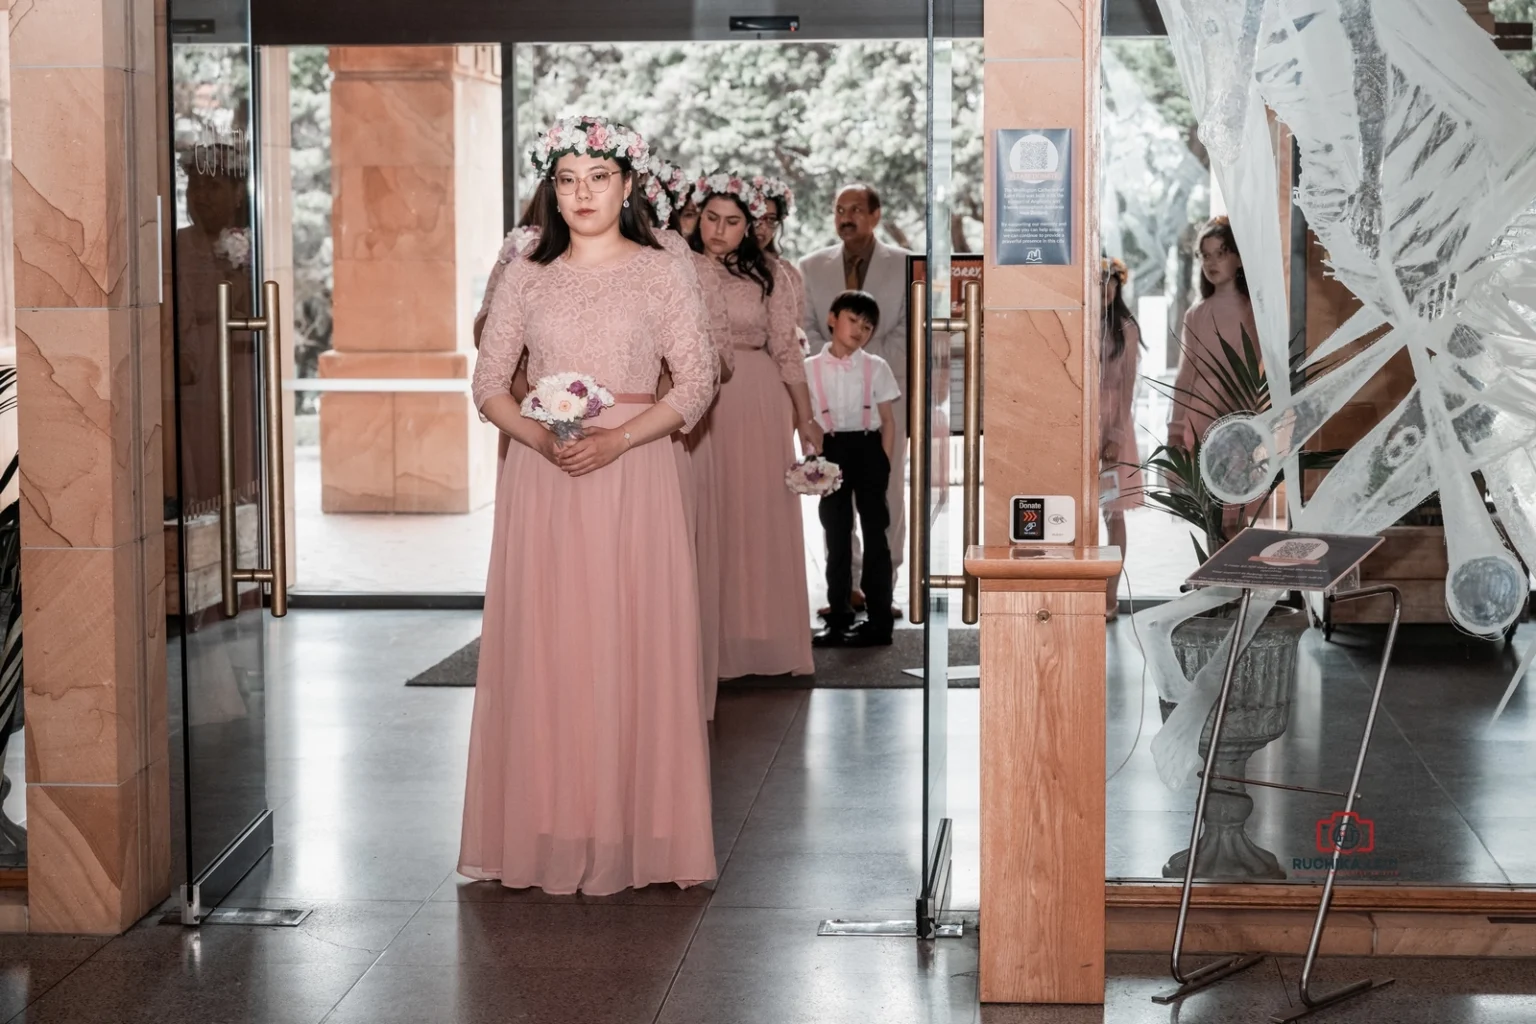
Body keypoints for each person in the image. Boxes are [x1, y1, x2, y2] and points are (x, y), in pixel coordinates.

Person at [461, 116, 718, 896]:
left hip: (633, 471)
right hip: (545, 479)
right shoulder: (526, 276)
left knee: (629, 637)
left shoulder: (661, 271)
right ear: (552, 188)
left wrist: (620, 439)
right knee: (551, 645)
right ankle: (550, 822)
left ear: (629, 185)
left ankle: (638, 826)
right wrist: (539, 439)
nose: (582, 193)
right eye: (567, 178)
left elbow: (698, 380)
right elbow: (487, 384)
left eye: (598, 178)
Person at [690, 174, 818, 680]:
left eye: (734, 222)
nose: (720, 230)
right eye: (712, 218)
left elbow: (787, 348)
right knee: (708, 514)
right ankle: (707, 644)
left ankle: (764, 642)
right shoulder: (672, 266)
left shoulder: (773, 274)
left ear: (750, 227)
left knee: (759, 515)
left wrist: (805, 417)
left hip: (759, 395)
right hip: (698, 399)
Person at [798, 184, 911, 619]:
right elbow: (805, 328)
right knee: (834, 493)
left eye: (857, 209)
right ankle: (845, 589)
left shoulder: (903, 264)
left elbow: (909, 329)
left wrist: (861, 356)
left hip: (886, 391)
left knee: (887, 490)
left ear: (876, 215)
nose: (847, 217)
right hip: (828, 395)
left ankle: (884, 584)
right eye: (839, 209)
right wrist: (834, 360)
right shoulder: (811, 266)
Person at [808, 290, 900, 647]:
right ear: (832, 318)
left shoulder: (875, 366)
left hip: (868, 446)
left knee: (877, 537)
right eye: (853, 320)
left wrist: (885, 462)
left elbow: (889, 421)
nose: (859, 330)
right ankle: (839, 617)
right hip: (830, 450)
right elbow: (806, 419)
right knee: (837, 536)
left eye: (867, 326)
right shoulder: (808, 368)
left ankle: (879, 621)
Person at [1169, 215, 1258, 449]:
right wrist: (1176, 428)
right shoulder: (1196, 314)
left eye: (1221, 254)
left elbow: (1256, 372)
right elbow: (1185, 376)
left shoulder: (1254, 312)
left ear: (1239, 258)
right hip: (1197, 418)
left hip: (1239, 417)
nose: (1212, 262)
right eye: (1206, 255)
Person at [1099, 257, 1143, 620]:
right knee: (1079, 514)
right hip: (1080, 431)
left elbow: (1129, 388)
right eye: (1099, 280)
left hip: (1113, 430)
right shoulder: (1078, 322)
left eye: (1112, 281)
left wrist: (1113, 434)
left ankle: (1110, 599)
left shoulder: (1124, 329)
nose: (1106, 288)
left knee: (1113, 514)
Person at [753, 176, 810, 355]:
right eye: (757, 218)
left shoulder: (788, 274)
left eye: (771, 220)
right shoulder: (718, 265)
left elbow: (795, 333)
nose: (762, 228)